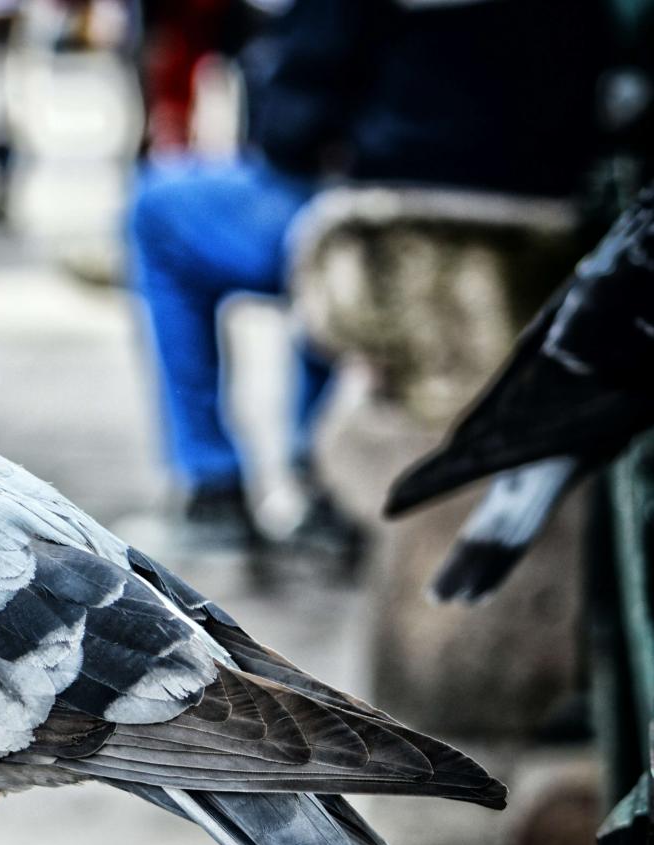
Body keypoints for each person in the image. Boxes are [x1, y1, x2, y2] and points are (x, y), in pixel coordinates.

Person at [127, 0, 613, 550]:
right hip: (542, 229)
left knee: (158, 210)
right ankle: (315, 484)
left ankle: (212, 487)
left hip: (387, 229)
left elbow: (293, 131)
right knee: (321, 214)